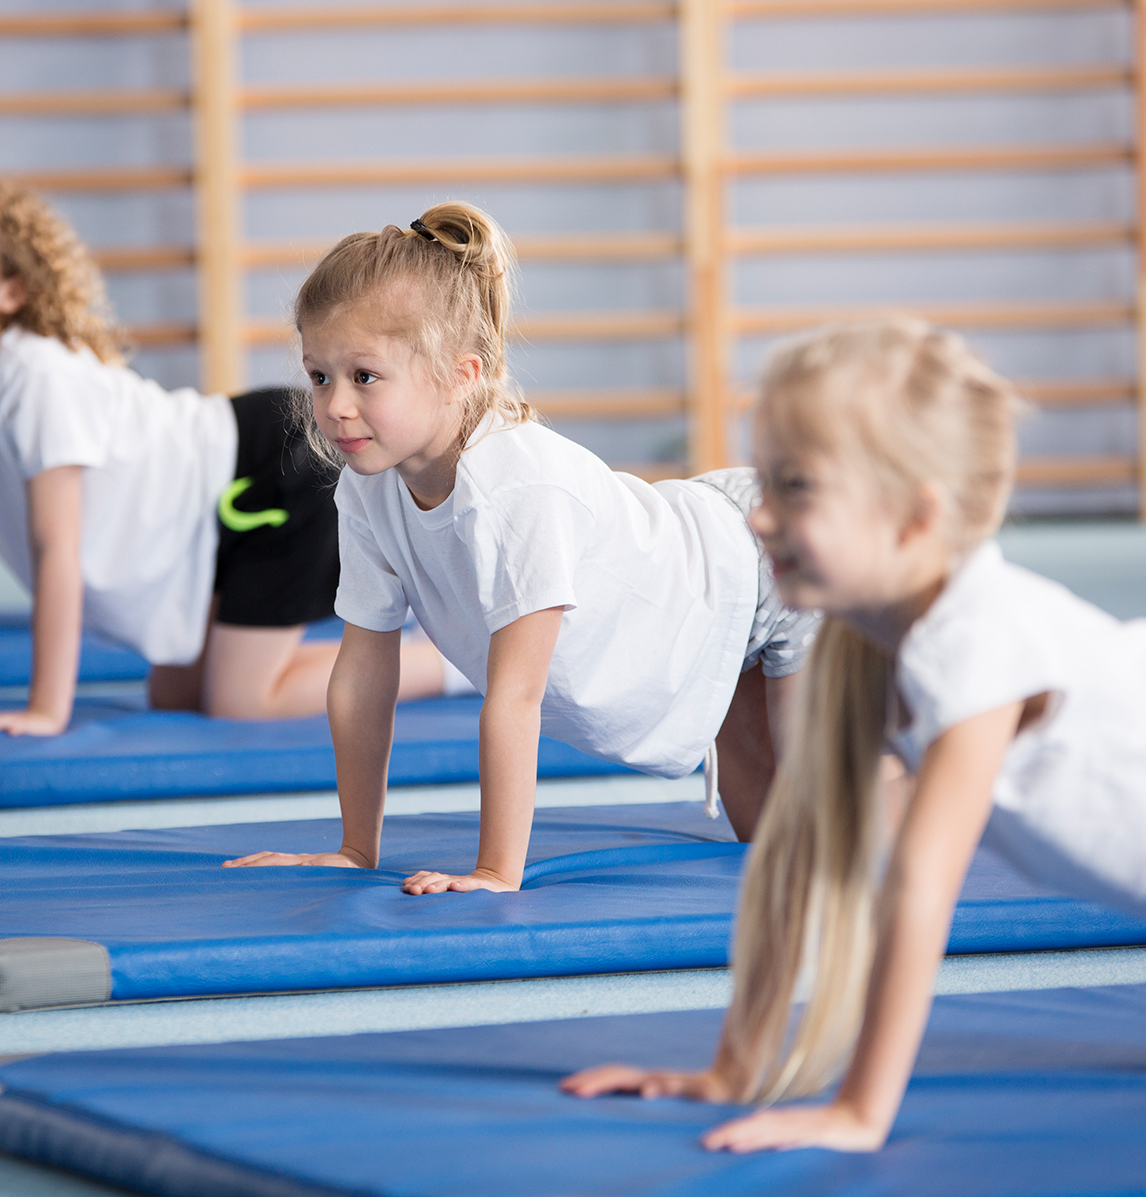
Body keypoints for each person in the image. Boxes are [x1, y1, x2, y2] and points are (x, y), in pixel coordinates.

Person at [561, 316, 1146, 1152]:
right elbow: (804, 858)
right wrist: (735, 1069)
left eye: (795, 488)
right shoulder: (856, 644)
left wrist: (860, 1112)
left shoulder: (974, 641)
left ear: (914, 518)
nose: (758, 519)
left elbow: (920, 887)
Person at [224, 201, 815, 895]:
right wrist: (357, 849)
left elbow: (516, 695)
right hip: (706, 603)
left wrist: (496, 871)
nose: (333, 407)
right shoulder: (366, 490)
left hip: (765, 561)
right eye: (319, 375)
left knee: (829, 825)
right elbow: (362, 674)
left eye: (365, 376)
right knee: (769, 850)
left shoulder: (513, 490)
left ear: (461, 374)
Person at [0, 172, 443, 737]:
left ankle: (445, 665)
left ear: (10, 290)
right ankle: (403, 645)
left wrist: (46, 708)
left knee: (241, 701)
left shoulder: (34, 377)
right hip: (202, 526)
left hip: (268, 471)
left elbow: (55, 551)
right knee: (176, 697)